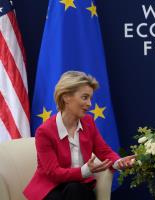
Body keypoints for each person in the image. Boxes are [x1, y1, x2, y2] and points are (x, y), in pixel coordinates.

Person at [24, 71, 135, 200]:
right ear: (66, 97)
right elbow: (53, 172)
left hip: (79, 188)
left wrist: (118, 162)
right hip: (51, 187)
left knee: (75, 189)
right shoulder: (44, 131)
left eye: (90, 98)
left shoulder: (88, 123)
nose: (89, 104)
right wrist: (85, 171)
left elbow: (103, 151)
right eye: (84, 97)